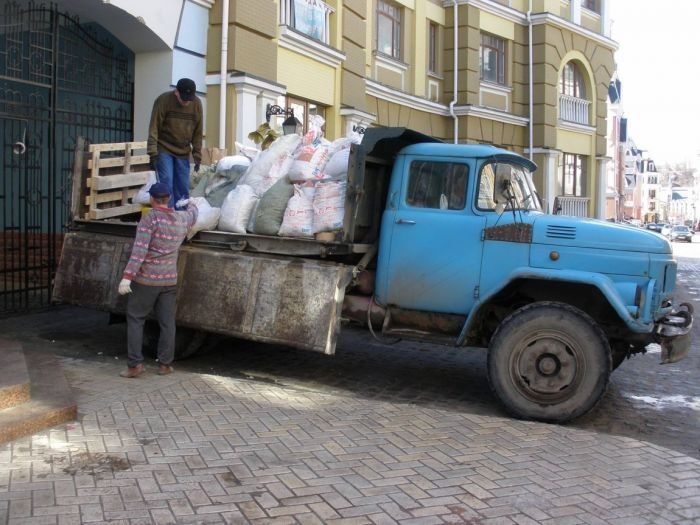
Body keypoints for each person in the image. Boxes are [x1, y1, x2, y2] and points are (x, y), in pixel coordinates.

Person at [117, 182, 199, 378]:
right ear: (168, 198)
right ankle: (164, 365)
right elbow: (194, 213)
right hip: (169, 280)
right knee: (167, 322)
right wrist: (192, 203)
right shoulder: (181, 219)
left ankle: (135, 365)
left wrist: (127, 278)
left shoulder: (149, 219)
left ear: (152, 199)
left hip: (147, 280)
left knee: (136, 318)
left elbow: (139, 252)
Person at [147, 78, 203, 209]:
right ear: (176, 92)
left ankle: (181, 218)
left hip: (183, 151)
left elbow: (198, 132)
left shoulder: (196, 104)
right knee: (167, 184)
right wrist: (152, 153)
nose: (186, 101)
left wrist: (197, 155)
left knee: (182, 187)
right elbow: (153, 127)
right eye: (183, 98)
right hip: (164, 148)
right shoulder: (163, 101)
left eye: (189, 98)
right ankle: (168, 217)